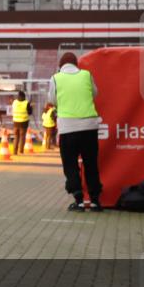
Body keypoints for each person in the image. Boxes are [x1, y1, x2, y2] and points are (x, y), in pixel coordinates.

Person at [48, 52, 102, 212]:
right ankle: (95, 201)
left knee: (70, 164)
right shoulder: (86, 74)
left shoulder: (56, 78)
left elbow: (52, 100)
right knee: (91, 163)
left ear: (61, 65)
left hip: (68, 127)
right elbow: (94, 93)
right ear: (76, 64)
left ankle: (78, 199)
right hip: (89, 126)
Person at [11, 90, 32, 155]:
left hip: (15, 122)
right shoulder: (26, 103)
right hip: (23, 123)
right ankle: (21, 151)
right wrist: (31, 107)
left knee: (16, 137)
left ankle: (15, 152)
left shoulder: (14, 102)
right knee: (22, 137)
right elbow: (30, 113)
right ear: (24, 96)